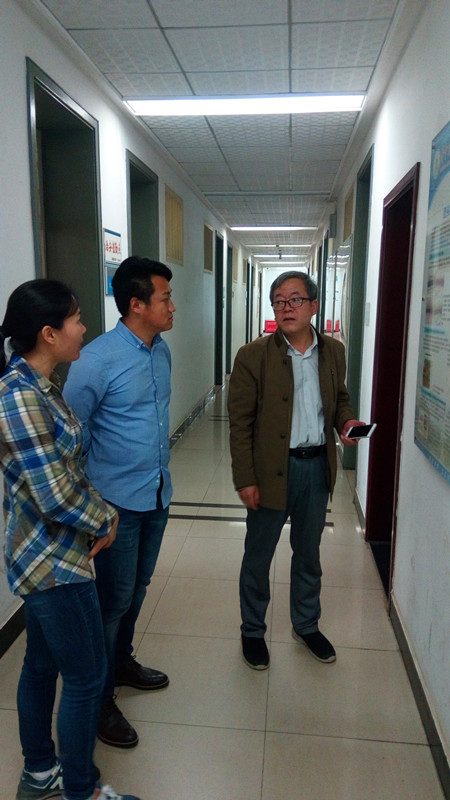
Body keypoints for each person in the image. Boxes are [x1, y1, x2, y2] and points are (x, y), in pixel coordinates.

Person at [0, 279, 141, 800]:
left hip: (57, 552)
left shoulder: (40, 385)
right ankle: (82, 789)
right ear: (48, 333)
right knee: (85, 677)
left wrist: (98, 513)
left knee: (41, 665)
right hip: (51, 560)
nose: (84, 328)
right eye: (77, 320)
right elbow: (55, 494)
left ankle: (40, 774)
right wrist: (106, 517)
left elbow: (65, 470)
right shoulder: (18, 397)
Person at [64, 256, 175, 749]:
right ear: (136, 304)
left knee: (137, 589)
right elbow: (74, 432)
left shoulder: (160, 351)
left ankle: (122, 662)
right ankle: (99, 697)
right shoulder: (95, 360)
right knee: (112, 601)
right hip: (114, 507)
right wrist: (91, 499)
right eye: (165, 298)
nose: (172, 306)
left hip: (156, 493)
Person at [228, 270, 363, 670]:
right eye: (279, 301)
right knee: (258, 556)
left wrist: (346, 422)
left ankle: (306, 624)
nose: (286, 308)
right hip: (271, 470)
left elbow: (339, 399)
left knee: (308, 554)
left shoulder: (333, 352)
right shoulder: (253, 356)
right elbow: (240, 424)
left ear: (314, 306)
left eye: (295, 300)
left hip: (315, 469)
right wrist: (245, 478)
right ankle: (253, 630)